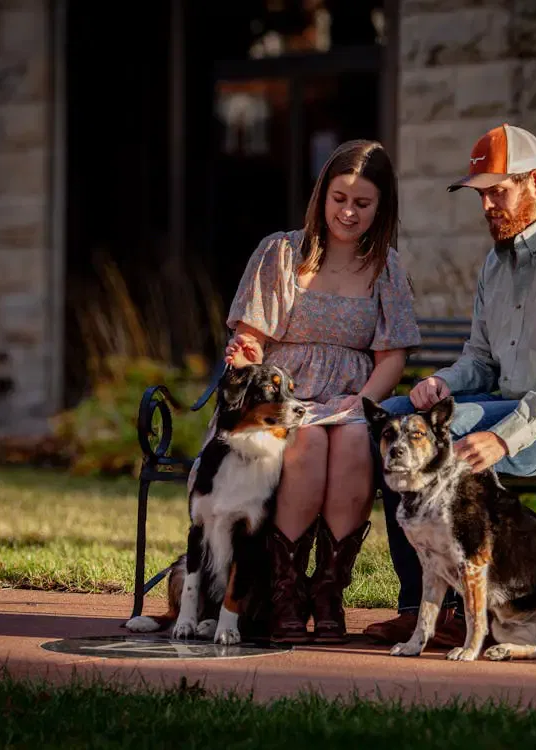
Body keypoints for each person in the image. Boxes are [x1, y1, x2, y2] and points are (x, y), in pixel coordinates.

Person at [363, 123, 536, 647]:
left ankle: (454, 612)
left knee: (448, 443)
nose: (488, 205)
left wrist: (506, 436)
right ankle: (420, 606)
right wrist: (440, 385)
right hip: (516, 405)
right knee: (397, 419)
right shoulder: (496, 262)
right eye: (481, 195)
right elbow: (482, 361)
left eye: (499, 191)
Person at [216, 139, 420, 645]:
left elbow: (392, 355)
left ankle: (328, 591)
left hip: (353, 396)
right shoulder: (282, 252)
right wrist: (244, 354)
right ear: (321, 196)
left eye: (362, 203)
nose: (348, 212)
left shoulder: (386, 267)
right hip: (283, 400)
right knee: (307, 439)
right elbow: (254, 342)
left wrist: (360, 402)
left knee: (352, 438)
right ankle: (286, 592)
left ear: (381, 207)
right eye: (339, 198)